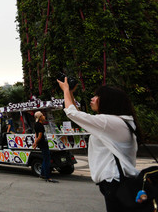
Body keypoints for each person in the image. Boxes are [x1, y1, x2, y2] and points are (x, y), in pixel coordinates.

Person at [59, 79, 139, 211]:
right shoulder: (119, 121)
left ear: (108, 101)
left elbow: (72, 113)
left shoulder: (109, 122)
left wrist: (66, 90)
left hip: (114, 181)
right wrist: (71, 94)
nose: (93, 98)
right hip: (120, 181)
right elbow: (81, 117)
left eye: (97, 97)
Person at [32, 111, 57, 183]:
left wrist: (35, 142)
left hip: (41, 144)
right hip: (43, 144)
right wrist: (36, 142)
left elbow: (36, 135)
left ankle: (42, 174)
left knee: (45, 159)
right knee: (47, 160)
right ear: (40, 117)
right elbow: (39, 136)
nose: (44, 117)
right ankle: (47, 177)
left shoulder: (36, 124)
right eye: (42, 115)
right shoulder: (40, 125)